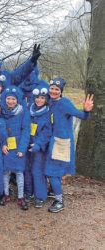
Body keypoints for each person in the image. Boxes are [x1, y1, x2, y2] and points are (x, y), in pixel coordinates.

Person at [45, 78, 94, 212]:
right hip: (52, 141)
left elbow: (82, 117)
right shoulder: (49, 101)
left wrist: (86, 111)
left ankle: (59, 201)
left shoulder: (65, 103)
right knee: (55, 171)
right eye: (52, 88)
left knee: (52, 172)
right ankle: (52, 190)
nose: (53, 91)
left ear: (61, 91)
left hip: (62, 143)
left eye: (57, 89)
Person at [0, 86, 31, 210]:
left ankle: (20, 197)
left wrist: (22, 149)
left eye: (13, 99)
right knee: (5, 171)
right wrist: (2, 144)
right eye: (8, 99)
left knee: (19, 171)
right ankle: (6, 194)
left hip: (18, 146)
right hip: (6, 145)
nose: (10, 101)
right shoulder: (1, 111)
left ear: (17, 100)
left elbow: (26, 130)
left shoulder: (23, 111)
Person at [25, 85, 52, 208]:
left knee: (38, 171)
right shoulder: (29, 110)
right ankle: (28, 192)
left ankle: (39, 196)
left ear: (45, 99)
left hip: (39, 148)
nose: (39, 100)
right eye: (37, 98)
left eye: (42, 98)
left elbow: (47, 133)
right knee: (27, 170)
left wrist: (38, 145)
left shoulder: (47, 113)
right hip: (27, 145)